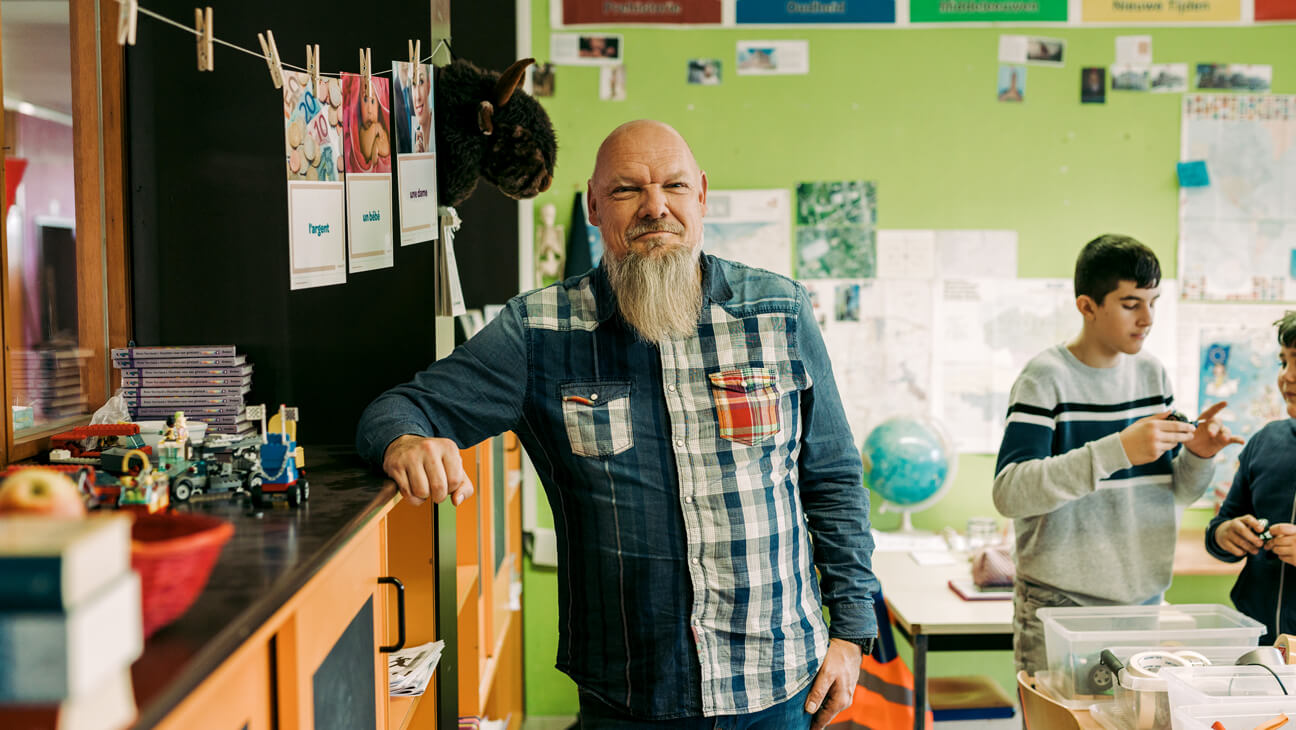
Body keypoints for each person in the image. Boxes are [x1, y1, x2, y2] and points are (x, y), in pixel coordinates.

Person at [357, 119, 878, 729]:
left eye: (674, 187)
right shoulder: (540, 331)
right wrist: (405, 440)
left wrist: (851, 631)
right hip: (628, 694)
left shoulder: (777, 311)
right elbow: (396, 408)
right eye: (630, 190)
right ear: (595, 206)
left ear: (702, 196)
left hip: (779, 685)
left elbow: (834, 477)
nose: (656, 208)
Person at [992, 234, 1242, 675]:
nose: (1147, 319)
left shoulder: (1152, 374)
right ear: (1087, 306)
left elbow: (1173, 492)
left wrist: (1200, 457)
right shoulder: (1044, 378)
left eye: (1154, 302)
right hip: (1060, 603)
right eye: (1131, 304)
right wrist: (1117, 450)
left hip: (1142, 602)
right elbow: (1010, 493)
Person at [1206, 311, 1296, 643]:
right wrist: (1225, 535)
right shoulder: (1264, 441)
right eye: (1283, 362)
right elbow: (1221, 527)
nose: (1287, 377)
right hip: (1256, 647)